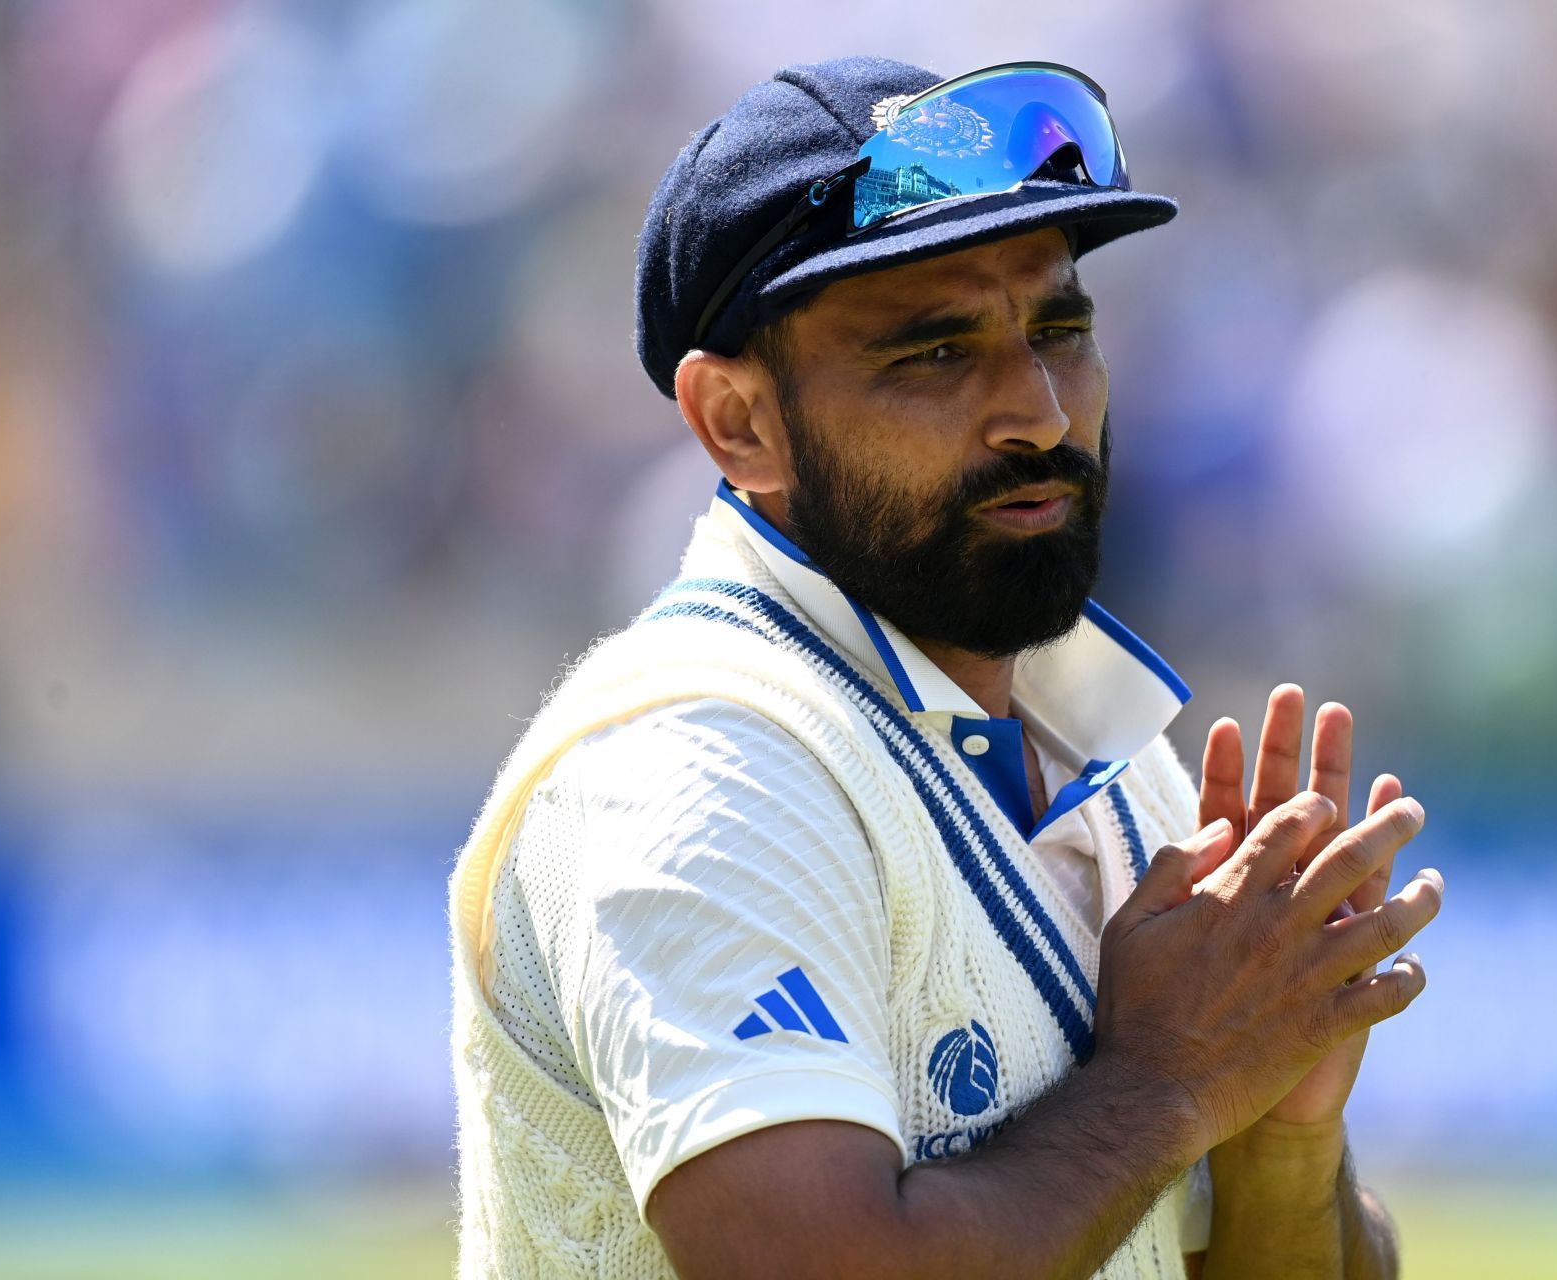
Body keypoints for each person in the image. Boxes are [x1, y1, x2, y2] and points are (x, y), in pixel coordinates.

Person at [446, 56, 1444, 1279]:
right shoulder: (695, 767)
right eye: (933, 352)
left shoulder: (1112, 757)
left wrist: (1277, 1134)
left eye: (1061, 328)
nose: (1036, 408)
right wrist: (1173, 1079)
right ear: (738, 425)